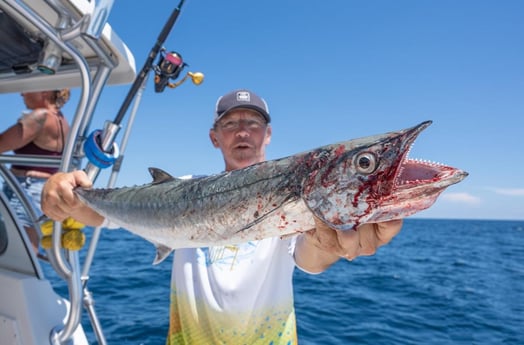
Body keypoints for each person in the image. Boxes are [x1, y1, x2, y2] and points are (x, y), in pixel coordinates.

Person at [41, 89, 403, 344]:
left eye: (253, 122)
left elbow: (310, 256)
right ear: (215, 138)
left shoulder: (297, 194)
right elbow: (100, 216)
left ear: (268, 134)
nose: (243, 131)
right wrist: (67, 197)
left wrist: (334, 246)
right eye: (231, 124)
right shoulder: (180, 188)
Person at [1, 89, 70, 251]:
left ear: (44, 91)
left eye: (28, 88)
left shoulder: (41, 116)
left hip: (25, 187)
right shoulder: (62, 121)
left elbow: (2, 142)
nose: (22, 93)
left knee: (17, 244)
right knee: (26, 245)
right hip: (42, 189)